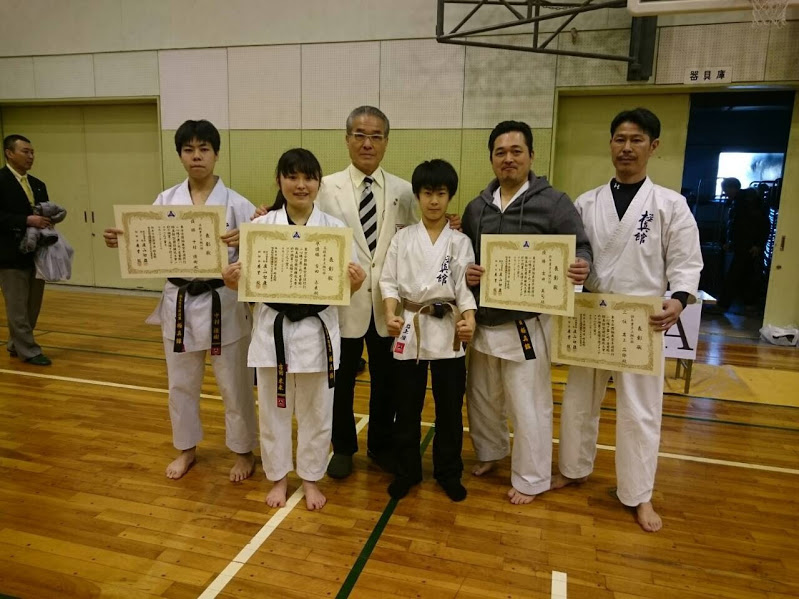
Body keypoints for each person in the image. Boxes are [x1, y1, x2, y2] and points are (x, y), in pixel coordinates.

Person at [553, 108, 703, 532]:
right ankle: (573, 469)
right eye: (620, 139)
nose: (626, 147)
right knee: (579, 399)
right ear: (610, 144)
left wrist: (678, 299)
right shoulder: (586, 202)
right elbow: (572, 252)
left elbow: (686, 262)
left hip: (642, 317)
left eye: (636, 140)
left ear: (653, 146)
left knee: (641, 410)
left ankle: (638, 494)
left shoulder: (670, 205)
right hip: (591, 313)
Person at [103, 120, 258, 482]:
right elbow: (147, 242)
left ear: (216, 154)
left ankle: (243, 451)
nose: (196, 156)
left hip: (223, 301)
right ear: (180, 155)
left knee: (234, 382)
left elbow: (259, 253)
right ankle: (186, 448)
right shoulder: (165, 200)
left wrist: (251, 235)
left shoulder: (237, 203)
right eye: (189, 150)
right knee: (181, 382)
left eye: (204, 149)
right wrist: (122, 241)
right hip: (179, 301)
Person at [222, 148, 365, 510]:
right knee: (273, 410)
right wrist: (233, 282)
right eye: (292, 176)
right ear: (279, 181)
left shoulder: (335, 230)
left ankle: (311, 478)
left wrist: (356, 283)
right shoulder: (261, 229)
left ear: (318, 183)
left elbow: (345, 288)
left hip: (318, 332)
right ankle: (278, 477)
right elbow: (247, 285)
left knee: (318, 410)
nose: (301, 185)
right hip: (274, 330)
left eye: (308, 177)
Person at [461, 120, 592, 505]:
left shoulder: (555, 203)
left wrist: (581, 265)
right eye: (500, 152)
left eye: (516, 151)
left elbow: (582, 247)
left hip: (527, 323)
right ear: (491, 159)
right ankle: (490, 452)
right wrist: (468, 272)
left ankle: (532, 477)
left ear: (531, 155)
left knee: (528, 403)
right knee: (482, 396)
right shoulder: (476, 207)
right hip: (484, 319)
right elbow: (465, 254)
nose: (508, 159)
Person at [380, 159, 476, 502]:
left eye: (441, 193)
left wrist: (469, 320)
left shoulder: (460, 242)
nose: (434, 201)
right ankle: (406, 471)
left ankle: (449, 472)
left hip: (448, 328)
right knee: (406, 406)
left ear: (450, 196)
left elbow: (464, 289)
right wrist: (390, 314)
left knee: (449, 408)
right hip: (411, 326)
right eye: (427, 193)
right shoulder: (402, 238)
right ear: (418, 195)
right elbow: (389, 281)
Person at [0, 135, 54, 366]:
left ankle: (16, 343)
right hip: (10, 254)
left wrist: (49, 221)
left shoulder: (38, 184)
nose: (30, 156)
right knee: (17, 305)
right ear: (9, 153)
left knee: (33, 304)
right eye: (25, 151)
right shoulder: (1, 181)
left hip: (37, 253)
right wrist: (25, 220)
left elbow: (46, 212)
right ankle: (29, 350)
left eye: (32, 152)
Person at [717, 183, 770, 314]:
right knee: (747, 275)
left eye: (726, 190)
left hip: (747, 246)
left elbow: (759, 225)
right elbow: (738, 225)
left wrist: (758, 244)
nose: (725, 194)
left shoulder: (746, 203)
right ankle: (748, 304)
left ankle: (724, 305)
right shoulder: (742, 202)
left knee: (736, 275)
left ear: (733, 188)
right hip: (745, 245)